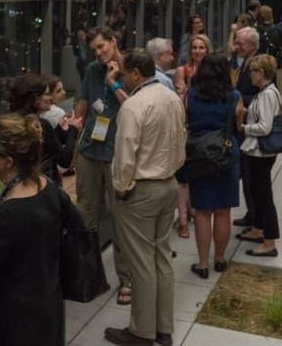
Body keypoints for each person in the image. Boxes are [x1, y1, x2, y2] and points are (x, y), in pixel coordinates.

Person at [104, 50, 185, 346]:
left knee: (140, 262)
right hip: (169, 184)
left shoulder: (134, 106)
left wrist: (121, 188)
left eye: (125, 73)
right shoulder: (171, 97)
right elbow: (180, 138)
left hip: (141, 189)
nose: (123, 78)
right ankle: (163, 328)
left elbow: (125, 154)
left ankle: (141, 331)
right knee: (161, 257)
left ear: (136, 73)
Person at [0, 113, 64, 346]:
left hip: (16, 317)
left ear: (9, 161)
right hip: (47, 303)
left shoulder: (11, 212)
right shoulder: (48, 187)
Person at [74, 27, 131, 304]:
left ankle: (127, 279)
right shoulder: (91, 70)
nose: (98, 53)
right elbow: (83, 102)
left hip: (117, 152)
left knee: (121, 217)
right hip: (90, 149)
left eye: (101, 47)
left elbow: (135, 108)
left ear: (113, 41)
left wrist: (114, 83)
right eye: (94, 49)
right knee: (86, 212)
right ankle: (90, 275)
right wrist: (74, 120)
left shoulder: (132, 68)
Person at [185, 54, 241, 279]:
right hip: (225, 152)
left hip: (199, 153)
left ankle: (202, 263)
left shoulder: (191, 95)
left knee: (202, 211)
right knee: (223, 210)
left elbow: (186, 121)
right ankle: (219, 259)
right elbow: (237, 123)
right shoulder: (233, 95)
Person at [235, 55, 282, 257]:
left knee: (263, 196)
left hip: (260, 153)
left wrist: (243, 127)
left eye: (253, 72)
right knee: (256, 192)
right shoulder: (265, 92)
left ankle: (269, 241)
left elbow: (264, 127)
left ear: (261, 73)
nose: (250, 76)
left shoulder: (266, 95)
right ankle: (258, 229)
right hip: (257, 152)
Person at [172, 34, 211, 238]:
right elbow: (179, 98)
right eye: (194, 47)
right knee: (183, 176)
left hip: (203, 127)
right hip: (186, 125)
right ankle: (183, 218)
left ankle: (195, 209)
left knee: (198, 172)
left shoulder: (213, 71)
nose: (197, 51)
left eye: (201, 48)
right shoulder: (183, 70)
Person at [8, 73, 77, 182]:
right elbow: (65, 160)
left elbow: (45, 145)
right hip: (42, 184)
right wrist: (73, 129)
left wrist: (58, 130)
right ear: (35, 99)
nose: (51, 98)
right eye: (47, 94)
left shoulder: (13, 122)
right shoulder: (40, 124)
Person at [231, 27, 260, 230]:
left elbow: (262, 95)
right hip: (243, 124)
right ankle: (252, 214)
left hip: (252, 126)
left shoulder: (257, 64)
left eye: (240, 43)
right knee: (247, 177)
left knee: (252, 177)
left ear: (251, 45)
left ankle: (257, 217)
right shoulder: (240, 62)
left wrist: (239, 100)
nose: (236, 46)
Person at [256, 6, 282, 98]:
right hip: (277, 63)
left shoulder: (257, 31)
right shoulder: (279, 31)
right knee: (280, 91)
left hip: (260, 63)